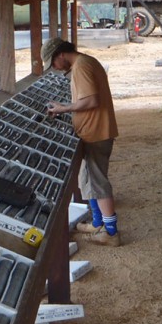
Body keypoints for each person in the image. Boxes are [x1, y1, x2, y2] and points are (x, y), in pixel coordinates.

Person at [41, 37, 121, 247]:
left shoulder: (81, 67)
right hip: (93, 130)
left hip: (96, 132)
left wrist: (64, 108)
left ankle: (111, 232)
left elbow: (91, 100)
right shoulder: (85, 62)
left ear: (60, 54)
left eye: (53, 62)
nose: (55, 67)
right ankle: (97, 223)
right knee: (88, 179)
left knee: (97, 182)